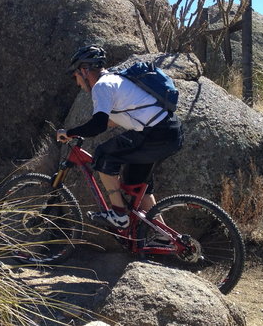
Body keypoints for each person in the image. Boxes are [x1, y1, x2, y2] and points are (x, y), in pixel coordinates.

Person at [56, 44, 184, 229]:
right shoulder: (115, 80)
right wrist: (78, 131)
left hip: (156, 133)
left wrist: (68, 133)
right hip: (167, 130)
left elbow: (98, 125)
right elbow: (110, 121)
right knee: (136, 183)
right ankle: (163, 234)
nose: (77, 83)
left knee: (103, 155)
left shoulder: (102, 86)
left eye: (75, 76)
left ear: (84, 70)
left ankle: (118, 214)